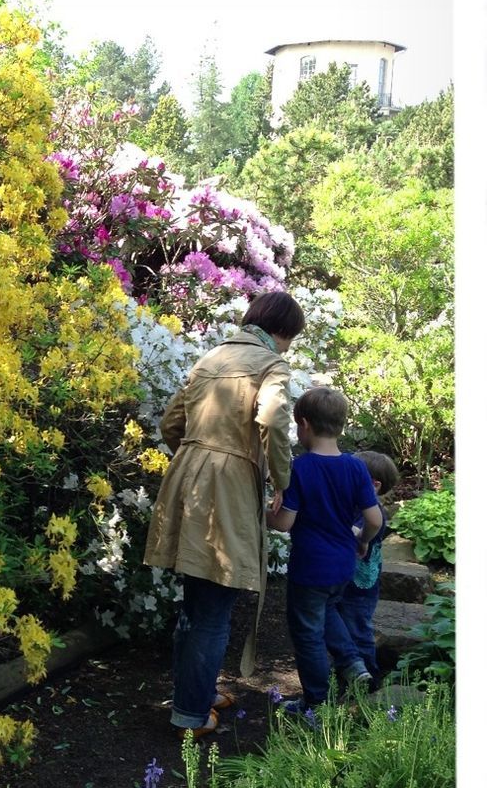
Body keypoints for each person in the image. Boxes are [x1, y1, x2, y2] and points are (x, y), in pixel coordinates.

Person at [144, 290, 306, 739]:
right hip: (228, 488)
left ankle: (192, 694)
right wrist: (281, 481)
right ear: (282, 332)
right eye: (291, 339)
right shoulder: (271, 363)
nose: (289, 347)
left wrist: (197, 459)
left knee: (196, 602)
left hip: (185, 481)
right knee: (214, 606)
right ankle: (191, 714)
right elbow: (273, 420)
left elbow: (170, 425)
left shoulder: (210, 358)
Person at [266, 387, 382, 711]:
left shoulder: (300, 468)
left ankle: (316, 704)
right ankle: (353, 664)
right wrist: (363, 540)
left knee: (308, 635)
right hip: (343, 564)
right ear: (341, 425)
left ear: (303, 424)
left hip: (310, 568)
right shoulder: (356, 467)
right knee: (329, 610)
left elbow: (284, 523)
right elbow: (373, 518)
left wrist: (258, 511)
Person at [328, 450, 400, 690]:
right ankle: (347, 674)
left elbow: (356, 535)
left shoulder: (373, 513)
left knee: (358, 629)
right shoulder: (356, 506)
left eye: (352, 477)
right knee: (341, 625)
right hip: (346, 579)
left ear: (374, 486)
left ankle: (369, 677)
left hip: (361, 586)